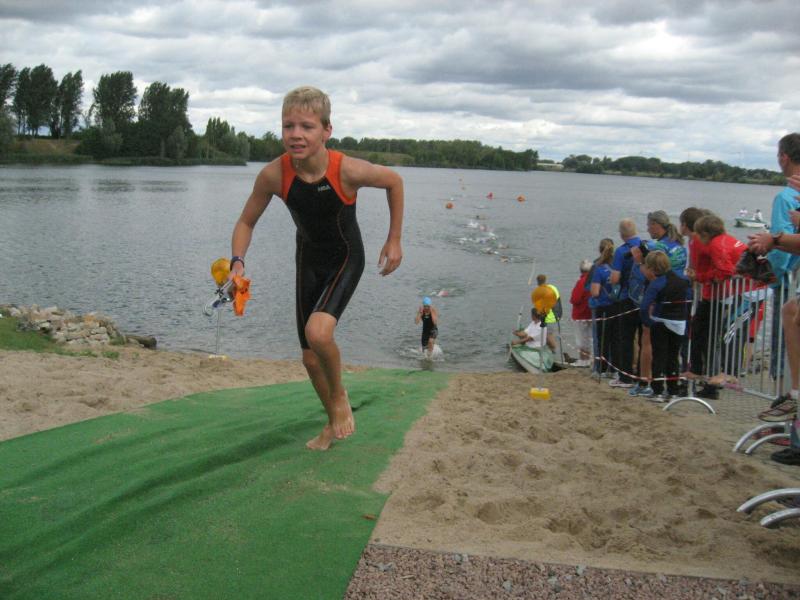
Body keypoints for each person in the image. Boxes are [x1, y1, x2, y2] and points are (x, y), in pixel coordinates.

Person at [229, 86, 404, 451]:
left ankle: (339, 397)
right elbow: (246, 222)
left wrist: (394, 240)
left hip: (346, 258)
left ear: (326, 130)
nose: (296, 135)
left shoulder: (346, 169)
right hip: (307, 260)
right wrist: (237, 263)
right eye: (288, 126)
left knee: (319, 334)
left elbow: (394, 181)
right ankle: (331, 421)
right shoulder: (274, 175)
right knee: (310, 359)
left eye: (307, 127)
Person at [639, 251, 691, 401]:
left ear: (652, 268)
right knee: (673, 356)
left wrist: (648, 322)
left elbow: (644, 306)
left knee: (659, 356)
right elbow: (689, 298)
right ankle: (673, 391)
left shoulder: (657, 283)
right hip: (679, 322)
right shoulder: (684, 279)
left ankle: (658, 391)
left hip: (661, 321)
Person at [608, 218, 642, 388]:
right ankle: (641, 374)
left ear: (621, 234)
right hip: (643, 298)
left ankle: (625, 376)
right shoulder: (646, 245)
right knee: (643, 339)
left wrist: (611, 280)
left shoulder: (621, 251)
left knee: (625, 338)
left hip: (626, 298)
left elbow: (615, 278)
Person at [589, 239, 616, 375]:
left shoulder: (598, 268)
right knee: (615, 338)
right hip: (617, 305)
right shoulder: (617, 267)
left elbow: (595, 292)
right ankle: (614, 368)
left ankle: (601, 368)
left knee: (602, 338)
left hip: (603, 306)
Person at [569, 260, 593, 362]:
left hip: (580, 315)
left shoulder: (581, 282)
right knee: (590, 339)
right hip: (592, 314)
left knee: (581, 341)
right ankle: (590, 360)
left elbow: (575, 299)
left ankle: (584, 361)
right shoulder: (594, 280)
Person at [532, 274, 561, 350]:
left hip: (548, 315)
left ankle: (553, 350)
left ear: (538, 281)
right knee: (547, 334)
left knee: (548, 334)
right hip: (552, 314)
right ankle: (551, 350)